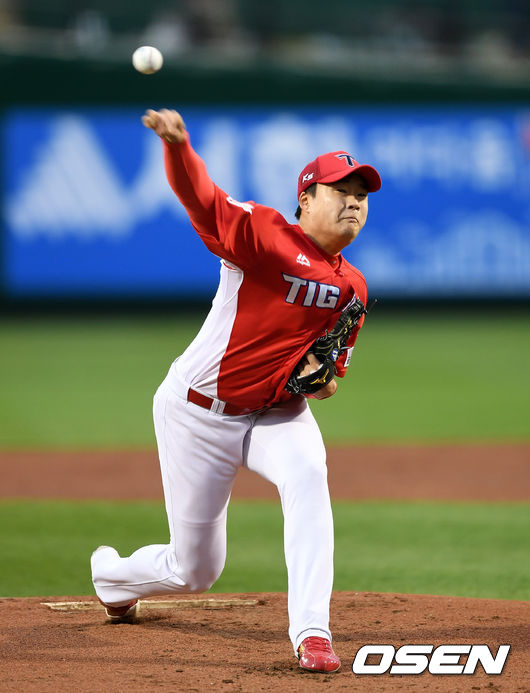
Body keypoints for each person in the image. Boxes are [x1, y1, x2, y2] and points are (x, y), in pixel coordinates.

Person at [91, 108, 381, 674]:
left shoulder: (353, 289)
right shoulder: (263, 235)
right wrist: (179, 148)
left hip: (276, 414)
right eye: (340, 191)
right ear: (305, 199)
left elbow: (328, 379)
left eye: (361, 196)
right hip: (198, 411)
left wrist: (319, 383)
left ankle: (312, 631)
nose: (353, 203)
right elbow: (202, 200)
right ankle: (113, 576)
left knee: (308, 475)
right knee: (195, 571)